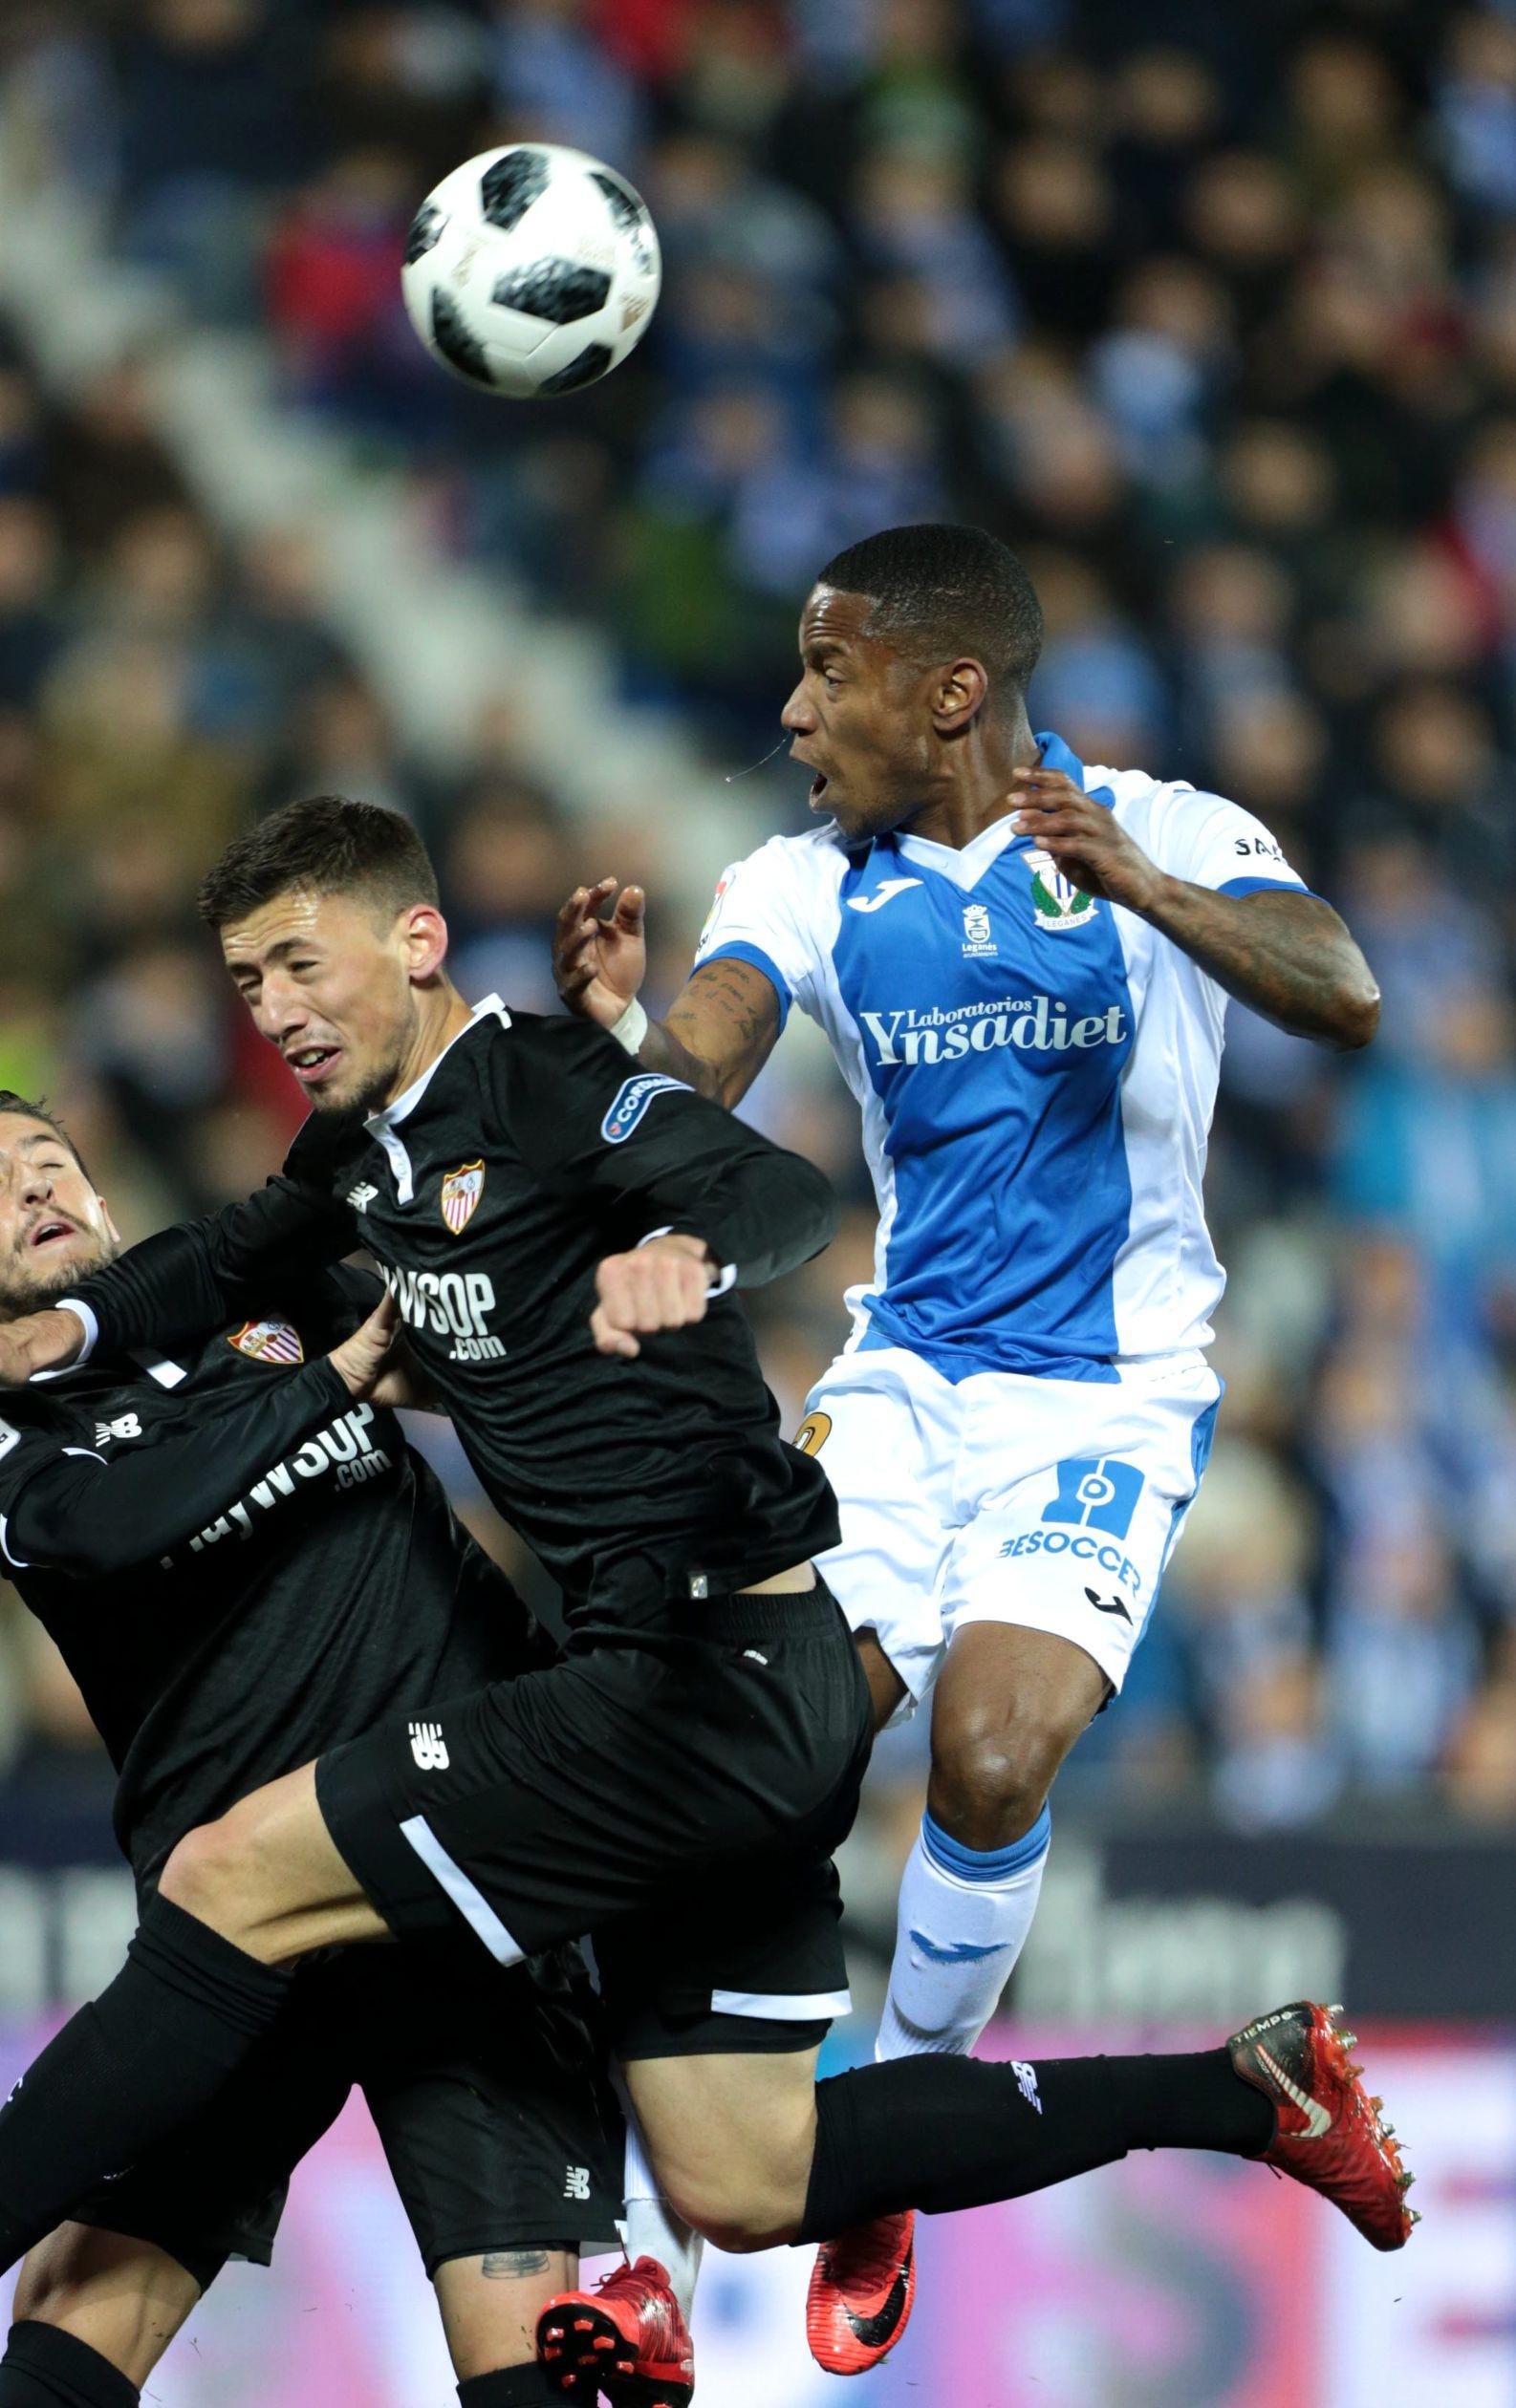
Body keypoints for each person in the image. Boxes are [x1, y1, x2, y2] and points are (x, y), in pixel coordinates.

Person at [0, 798, 1410, 2408]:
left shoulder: (542, 1085)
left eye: (299, 966)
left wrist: (683, 1246)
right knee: (746, 2173)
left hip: (684, 1678)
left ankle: (638, 2302)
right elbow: (202, 1278)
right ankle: (1248, 2092)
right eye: (250, 983)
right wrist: (84, 1334)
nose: (276, 1012)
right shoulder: (347, 1175)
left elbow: (774, 1197)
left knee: (230, 1877)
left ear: (416, 941)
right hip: (689, 1697)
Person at [550, 520, 1383, 2373]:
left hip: (1107, 1393)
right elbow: (704, 1057)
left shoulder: (1162, 823)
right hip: (904, 1386)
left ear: (945, 693)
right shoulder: (801, 879)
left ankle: (891, 2140)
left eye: (824, 674)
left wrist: (1143, 891)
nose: (790, 714)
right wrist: (621, 1050)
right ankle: (635, 2249)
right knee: (764, 1751)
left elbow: (1341, 990)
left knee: (996, 1760)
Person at [0, 1090, 624, 2408]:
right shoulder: (15, 1435)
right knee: (77, 2311)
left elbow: (478, 1355)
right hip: (246, 1936)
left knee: (526, 2339)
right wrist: (333, 1382)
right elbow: (117, 1525)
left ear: (104, 1198)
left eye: (48, 1161)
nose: (33, 1187)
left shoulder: (262, 1291)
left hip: (463, 1881)